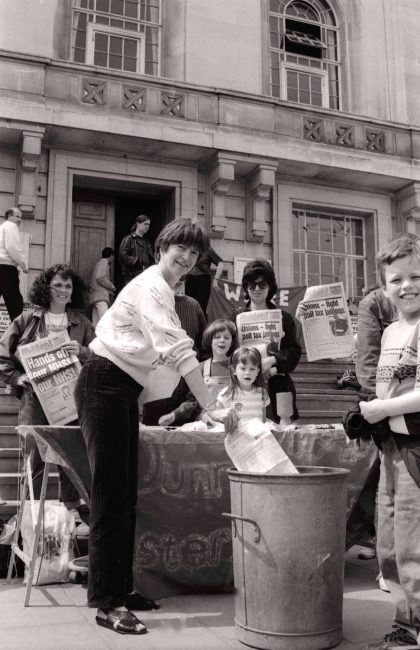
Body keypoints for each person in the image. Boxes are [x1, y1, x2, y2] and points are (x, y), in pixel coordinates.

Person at [74, 218, 227, 636]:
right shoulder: (151, 286)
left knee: (126, 494)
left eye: (195, 255)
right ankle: (108, 603)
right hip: (102, 383)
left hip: (122, 390)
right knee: (110, 495)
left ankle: (122, 588)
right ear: (162, 245)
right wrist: (210, 404)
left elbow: (156, 362)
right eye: (182, 248)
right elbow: (177, 349)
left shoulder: (165, 289)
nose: (187, 258)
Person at [360, 233, 420, 649]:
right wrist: (370, 414)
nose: (408, 286)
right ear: (384, 287)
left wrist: (381, 411)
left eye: (416, 276)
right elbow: (387, 389)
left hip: (417, 450)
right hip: (391, 450)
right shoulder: (390, 332)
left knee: (414, 543)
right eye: (397, 279)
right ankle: (405, 620)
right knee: (389, 543)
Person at [0, 264, 94, 527]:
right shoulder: (27, 320)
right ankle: (31, 514)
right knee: (34, 459)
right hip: (35, 401)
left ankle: (73, 511)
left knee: (72, 457)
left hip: (71, 402)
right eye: (58, 285)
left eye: (68, 286)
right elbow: (3, 356)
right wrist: (18, 378)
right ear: (46, 288)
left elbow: (100, 360)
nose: (63, 291)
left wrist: (83, 351)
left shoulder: (82, 323)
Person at [227, 259, 302, 424]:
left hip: (277, 388)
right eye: (252, 285)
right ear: (246, 287)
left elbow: (294, 352)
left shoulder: (284, 318)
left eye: (262, 285)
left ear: (270, 287)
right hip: (244, 388)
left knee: (281, 439)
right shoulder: (234, 317)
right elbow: (227, 352)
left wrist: (273, 362)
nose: (257, 289)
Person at [141, 276, 207, 425]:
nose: (176, 281)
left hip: (188, 385)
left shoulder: (193, 306)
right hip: (157, 385)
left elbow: (204, 346)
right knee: (154, 432)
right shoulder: (149, 305)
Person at [158, 318, 237, 426]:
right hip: (206, 426)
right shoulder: (200, 368)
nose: (222, 340)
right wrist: (175, 415)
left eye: (227, 337)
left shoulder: (238, 368)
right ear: (209, 340)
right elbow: (193, 403)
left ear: (232, 341)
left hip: (232, 423)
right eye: (217, 337)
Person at [216, 346, 269, 424]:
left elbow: (263, 421)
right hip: (235, 435)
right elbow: (217, 418)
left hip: (257, 435)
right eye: (243, 368)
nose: (248, 372)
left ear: (257, 371)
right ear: (234, 370)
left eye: (252, 369)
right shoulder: (227, 393)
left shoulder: (262, 393)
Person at [0, 207, 28, 321]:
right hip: (7, 268)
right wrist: (24, 264)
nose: (20, 219)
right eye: (17, 216)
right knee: (15, 305)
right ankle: (20, 335)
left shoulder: (1, 228)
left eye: (21, 217)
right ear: (9, 216)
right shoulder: (11, 226)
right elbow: (12, 247)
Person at [185, 243, 224, 317]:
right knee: (189, 306)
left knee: (201, 307)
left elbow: (220, 263)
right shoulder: (189, 246)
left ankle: (201, 326)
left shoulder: (207, 248)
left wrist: (216, 279)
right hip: (189, 279)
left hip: (203, 279)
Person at [118, 214, 154, 285]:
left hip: (146, 276)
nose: (147, 227)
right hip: (132, 277)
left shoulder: (147, 242)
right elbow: (122, 256)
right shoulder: (129, 238)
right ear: (138, 224)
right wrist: (137, 261)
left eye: (148, 225)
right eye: (145, 224)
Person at [88, 247, 116, 326]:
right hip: (100, 298)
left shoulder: (99, 263)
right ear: (111, 256)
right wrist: (112, 286)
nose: (113, 259)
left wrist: (109, 292)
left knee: (95, 325)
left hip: (96, 297)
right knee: (106, 321)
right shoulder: (104, 262)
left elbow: (98, 281)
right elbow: (100, 277)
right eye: (113, 257)